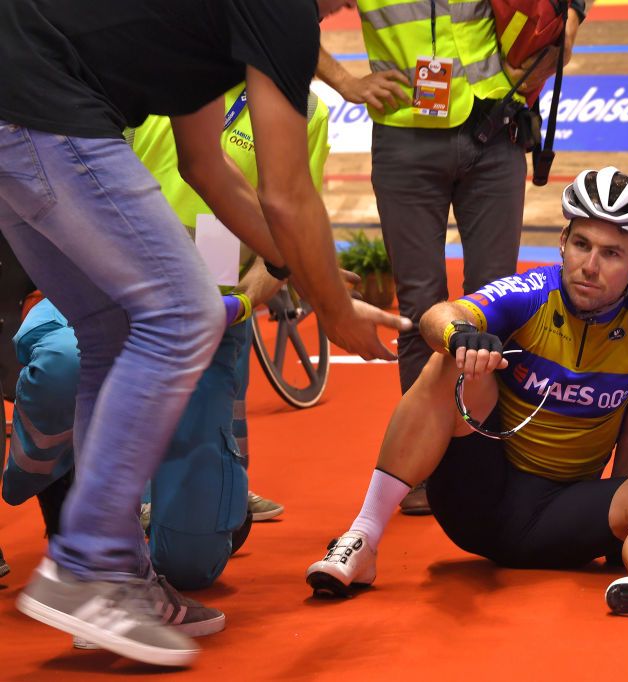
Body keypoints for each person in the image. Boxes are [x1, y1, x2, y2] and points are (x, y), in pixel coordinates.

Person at [0, 0, 410, 667]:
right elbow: (286, 192)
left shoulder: (226, 20)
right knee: (183, 311)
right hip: (39, 106)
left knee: (111, 326)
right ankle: (88, 562)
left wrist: (302, 269)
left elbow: (207, 166)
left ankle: (116, 575)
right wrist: (334, 311)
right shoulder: (283, 14)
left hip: (20, 107)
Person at [305, 168, 628, 618]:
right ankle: (363, 539)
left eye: (611, 254)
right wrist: (459, 336)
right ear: (563, 242)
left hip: (564, 515)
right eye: (582, 245)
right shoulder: (530, 293)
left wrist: (625, 533)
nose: (590, 266)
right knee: (451, 359)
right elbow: (440, 315)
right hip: (479, 495)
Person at [315, 0, 588, 514]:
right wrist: (346, 83)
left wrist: (569, 18)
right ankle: (422, 469)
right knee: (422, 308)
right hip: (404, 138)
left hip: (497, 127)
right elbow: (276, 17)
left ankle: (496, 457)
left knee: (498, 300)